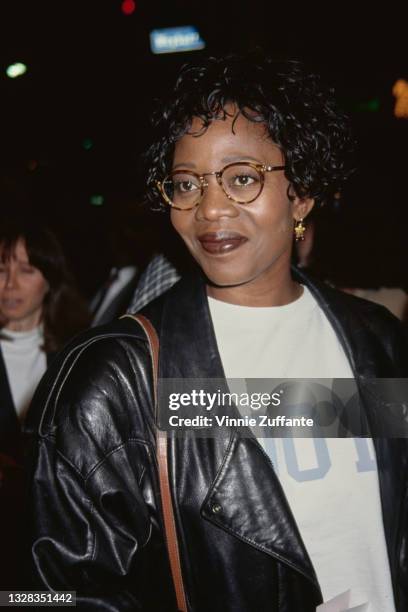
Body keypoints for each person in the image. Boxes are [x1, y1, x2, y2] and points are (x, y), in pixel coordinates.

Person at [26, 55, 407, 611]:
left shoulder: (375, 341)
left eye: (243, 178)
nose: (209, 208)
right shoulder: (115, 380)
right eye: (186, 184)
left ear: (301, 195)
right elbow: (47, 596)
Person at [0, 222, 90, 461]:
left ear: (50, 280)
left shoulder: (78, 353)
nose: (10, 284)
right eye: (0, 270)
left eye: (26, 270)